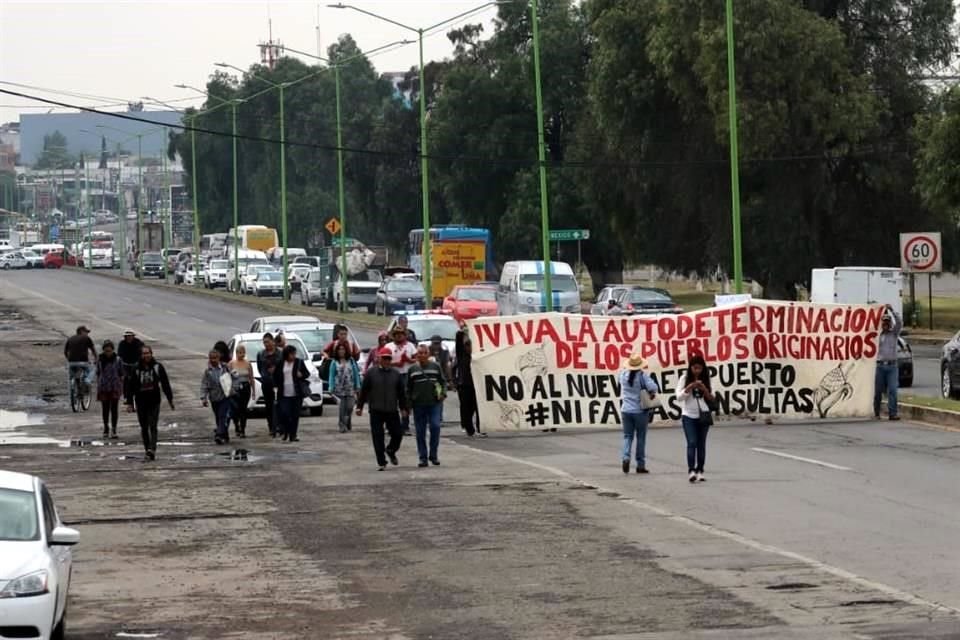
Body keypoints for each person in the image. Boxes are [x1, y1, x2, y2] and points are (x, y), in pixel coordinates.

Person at [356, 347, 409, 471]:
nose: (386, 360)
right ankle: (381, 461)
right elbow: (364, 391)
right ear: (379, 358)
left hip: (391, 409)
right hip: (376, 410)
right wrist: (359, 406)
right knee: (377, 436)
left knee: (397, 434)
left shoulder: (396, 374)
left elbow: (401, 393)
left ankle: (391, 450)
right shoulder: (371, 373)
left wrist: (403, 408)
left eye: (388, 358)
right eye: (384, 358)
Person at [125, 345, 174, 461]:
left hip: (154, 400)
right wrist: (129, 402)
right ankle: (147, 448)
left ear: (151, 354)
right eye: (143, 353)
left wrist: (170, 399)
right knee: (144, 426)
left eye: (148, 353)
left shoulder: (157, 367)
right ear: (140, 355)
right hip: (141, 401)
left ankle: (152, 449)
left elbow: (165, 383)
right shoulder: (136, 368)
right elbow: (130, 386)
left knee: (153, 425)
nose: (146, 355)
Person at [675, 354, 715, 483]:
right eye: (695, 368)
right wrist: (690, 387)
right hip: (688, 415)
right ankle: (691, 470)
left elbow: (711, 399)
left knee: (701, 444)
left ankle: (700, 470)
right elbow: (679, 397)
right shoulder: (684, 378)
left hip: (703, 415)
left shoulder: (707, 379)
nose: (697, 371)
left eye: (700, 368)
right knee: (691, 442)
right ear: (690, 367)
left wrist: (704, 388)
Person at [619, 351, 660, 474]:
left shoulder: (622, 375)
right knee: (641, 437)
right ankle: (640, 464)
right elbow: (654, 387)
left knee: (627, 436)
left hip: (626, 409)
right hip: (640, 411)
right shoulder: (642, 376)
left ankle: (625, 457)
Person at [408, 344, 447, 467]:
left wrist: (443, 393)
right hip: (418, 404)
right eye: (420, 353)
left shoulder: (435, 367)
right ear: (417, 355)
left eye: (425, 353)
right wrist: (408, 405)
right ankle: (423, 457)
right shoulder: (412, 369)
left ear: (428, 354)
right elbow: (408, 388)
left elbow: (443, 382)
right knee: (420, 432)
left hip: (434, 403)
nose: (422, 355)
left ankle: (433, 455)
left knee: (435, 426)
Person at [271, 344, 310, 442]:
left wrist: (301, 375)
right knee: (285, 413)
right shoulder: (280, 363)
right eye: (291, 354)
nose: (293, 356)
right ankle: (286, 432)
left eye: (294, 354)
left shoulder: (299, 362)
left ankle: (293, 434)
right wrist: (275, 386)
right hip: (284, 393)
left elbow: (307, 374)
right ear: (286, 354)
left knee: (295, 415)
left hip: (296, 393)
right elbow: (275, 376)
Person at [454, 329, 484, 437]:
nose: (469, 348)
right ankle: (469, 429)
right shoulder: (462, 356)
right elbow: (458, 344)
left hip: (477, 385)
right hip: (465, 386)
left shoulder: (478, 357)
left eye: (471, 346)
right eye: (467, 346)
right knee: (467, 409)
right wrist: (461, 332)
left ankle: (481, 428)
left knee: (479, 408)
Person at [388, 326, 418, 434]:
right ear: (393, 335)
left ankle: (405, 426)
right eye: (396, 334)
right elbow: (383, 362)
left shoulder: (410, 346)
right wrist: (397, 363)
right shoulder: (389, 347)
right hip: (392, 375)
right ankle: (391, 425)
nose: (399, 336)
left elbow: (417, 358)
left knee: (405, 400)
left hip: (407, 375)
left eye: (401, 334)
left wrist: (408, 360)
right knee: (392, 400)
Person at [875, 305, 903, 421]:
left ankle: (893, 413)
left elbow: (900, 322)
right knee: (877, 391)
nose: (886, 324)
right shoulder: (878, 335)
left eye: (887, 322)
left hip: (892, 366)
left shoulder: (894, 333)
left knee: (892, 390)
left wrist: (892, 310)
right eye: (884, 322)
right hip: (880, 366)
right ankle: (876, 412)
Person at [201, 349, 234, 445]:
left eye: (215, 358)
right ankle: (225, 435)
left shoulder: (225, 368)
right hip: (214, 398)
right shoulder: (208, 372)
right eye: (211, 358)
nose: (213, 360)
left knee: (222, 416)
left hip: (225, 396)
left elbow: (235, 377)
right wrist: (204, 398)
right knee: (218, 418)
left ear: (219, 358)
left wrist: (234, 389)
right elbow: (204, 385)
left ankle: (218, 435)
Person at [329, 342, 361, 433]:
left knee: (350, 407)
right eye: (339, 349)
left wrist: (357, 385)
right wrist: (331, 387)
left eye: (343, 349)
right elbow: (331, 375)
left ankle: (347, 421)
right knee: (342, 408)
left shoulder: (351, 361)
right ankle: (342, 425)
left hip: (350, 388)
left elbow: (355, 374)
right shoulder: (334, 362)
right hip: (339, 389)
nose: (341, 351)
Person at [96, 339, 124, 439]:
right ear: (103, 350)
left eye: (110, 350)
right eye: (106, 351)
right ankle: (106, 428)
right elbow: (98, 372)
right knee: (105, 409)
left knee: (114, 409)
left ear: (113, 350)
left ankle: (114, 429)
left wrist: (121, 387)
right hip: (104, 387)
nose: (108, 353)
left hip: (114, 387)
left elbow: (121, 373)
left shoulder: (118, 360)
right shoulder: (100, 360)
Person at [257, 333, 283, 437]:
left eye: (267, 342)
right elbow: (260, 368)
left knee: (278, 405)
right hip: (267, 383)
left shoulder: (280, 354)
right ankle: (271, 427)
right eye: (264, 342)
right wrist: (265, 375)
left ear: (273, 341)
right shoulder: (261, 354)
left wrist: (276, 371)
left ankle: (279, 426)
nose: (266, 344)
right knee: (268, 406)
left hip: (278, 383)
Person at [229, 344, 256, 438]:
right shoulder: (231, 363)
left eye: (243, 352)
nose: (242, 354)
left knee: (243, 409)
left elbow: (251, 378)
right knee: (235, 409)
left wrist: (253, 391)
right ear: (236, 353)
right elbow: (227, 378)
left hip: (245, 388)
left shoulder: (248, 364)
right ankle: (237, 425)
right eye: (240, 352)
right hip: (235, 388)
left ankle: (243, 429)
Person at [64, 325, 96, 394]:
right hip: (83, 362)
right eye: (86, 332)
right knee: (92, 369)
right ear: (81, 331)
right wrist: (97, 359)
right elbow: (93, 350)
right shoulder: (86, 338)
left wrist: (69, 359)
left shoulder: (70, 338)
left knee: (74, 375)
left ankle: (75, 391)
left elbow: (65, 352)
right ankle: (87, 381)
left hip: (71, 362)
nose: (87, 333)